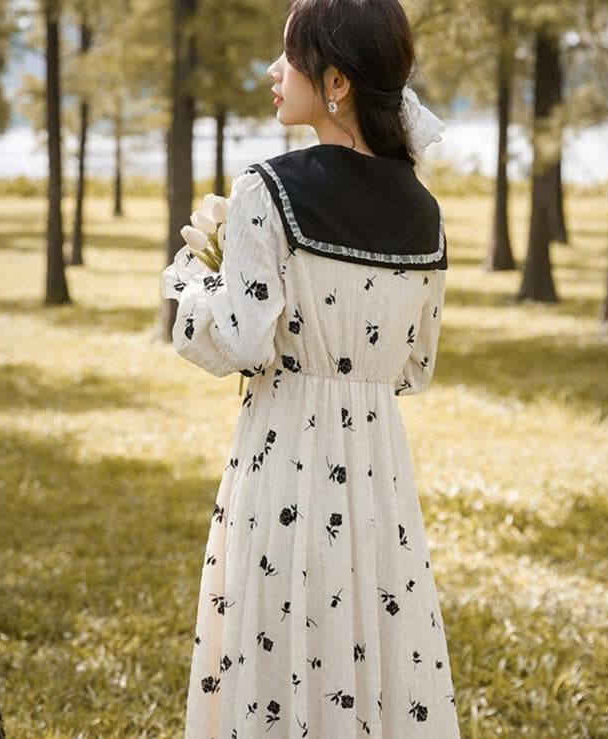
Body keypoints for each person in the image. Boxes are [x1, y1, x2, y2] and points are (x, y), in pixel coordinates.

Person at [160, 0, 461, 736]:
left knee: (278, 636)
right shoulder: (424, 211)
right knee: (372, 637)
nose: (272, 70)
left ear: (335, 82)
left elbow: (237, 342)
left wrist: (195, 287)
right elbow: (413, 368)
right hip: (375, 469)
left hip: (287, 452)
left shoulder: (267, 189)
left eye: (286, 55)